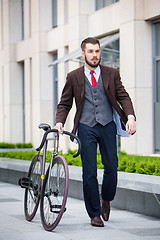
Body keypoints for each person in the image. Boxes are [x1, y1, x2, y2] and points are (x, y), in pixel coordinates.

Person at [54, 37, 136, 227]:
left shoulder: (111, 73)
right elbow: (65, 103)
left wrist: (130, 116)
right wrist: (59, 122)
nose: (94, 55)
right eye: (90, 51)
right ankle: (94, 214)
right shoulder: (73, 76)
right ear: (83, 54)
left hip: (107, 125)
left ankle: (106, 198)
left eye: (97, 51)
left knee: (111, 167)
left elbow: (123, 95)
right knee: (89, 172)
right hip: (86, 126)